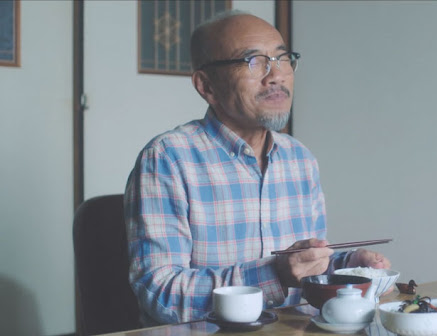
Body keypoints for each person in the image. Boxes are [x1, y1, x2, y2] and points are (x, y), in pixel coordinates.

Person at [124, 10, 390, 326]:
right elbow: (160, 293)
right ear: (206, 85)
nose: (275, 75)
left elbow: (305, 268)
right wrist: (272, 275)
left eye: (282, 59)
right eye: (254, 62)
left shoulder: (299, 159)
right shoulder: (167, 158)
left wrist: (346, 267)